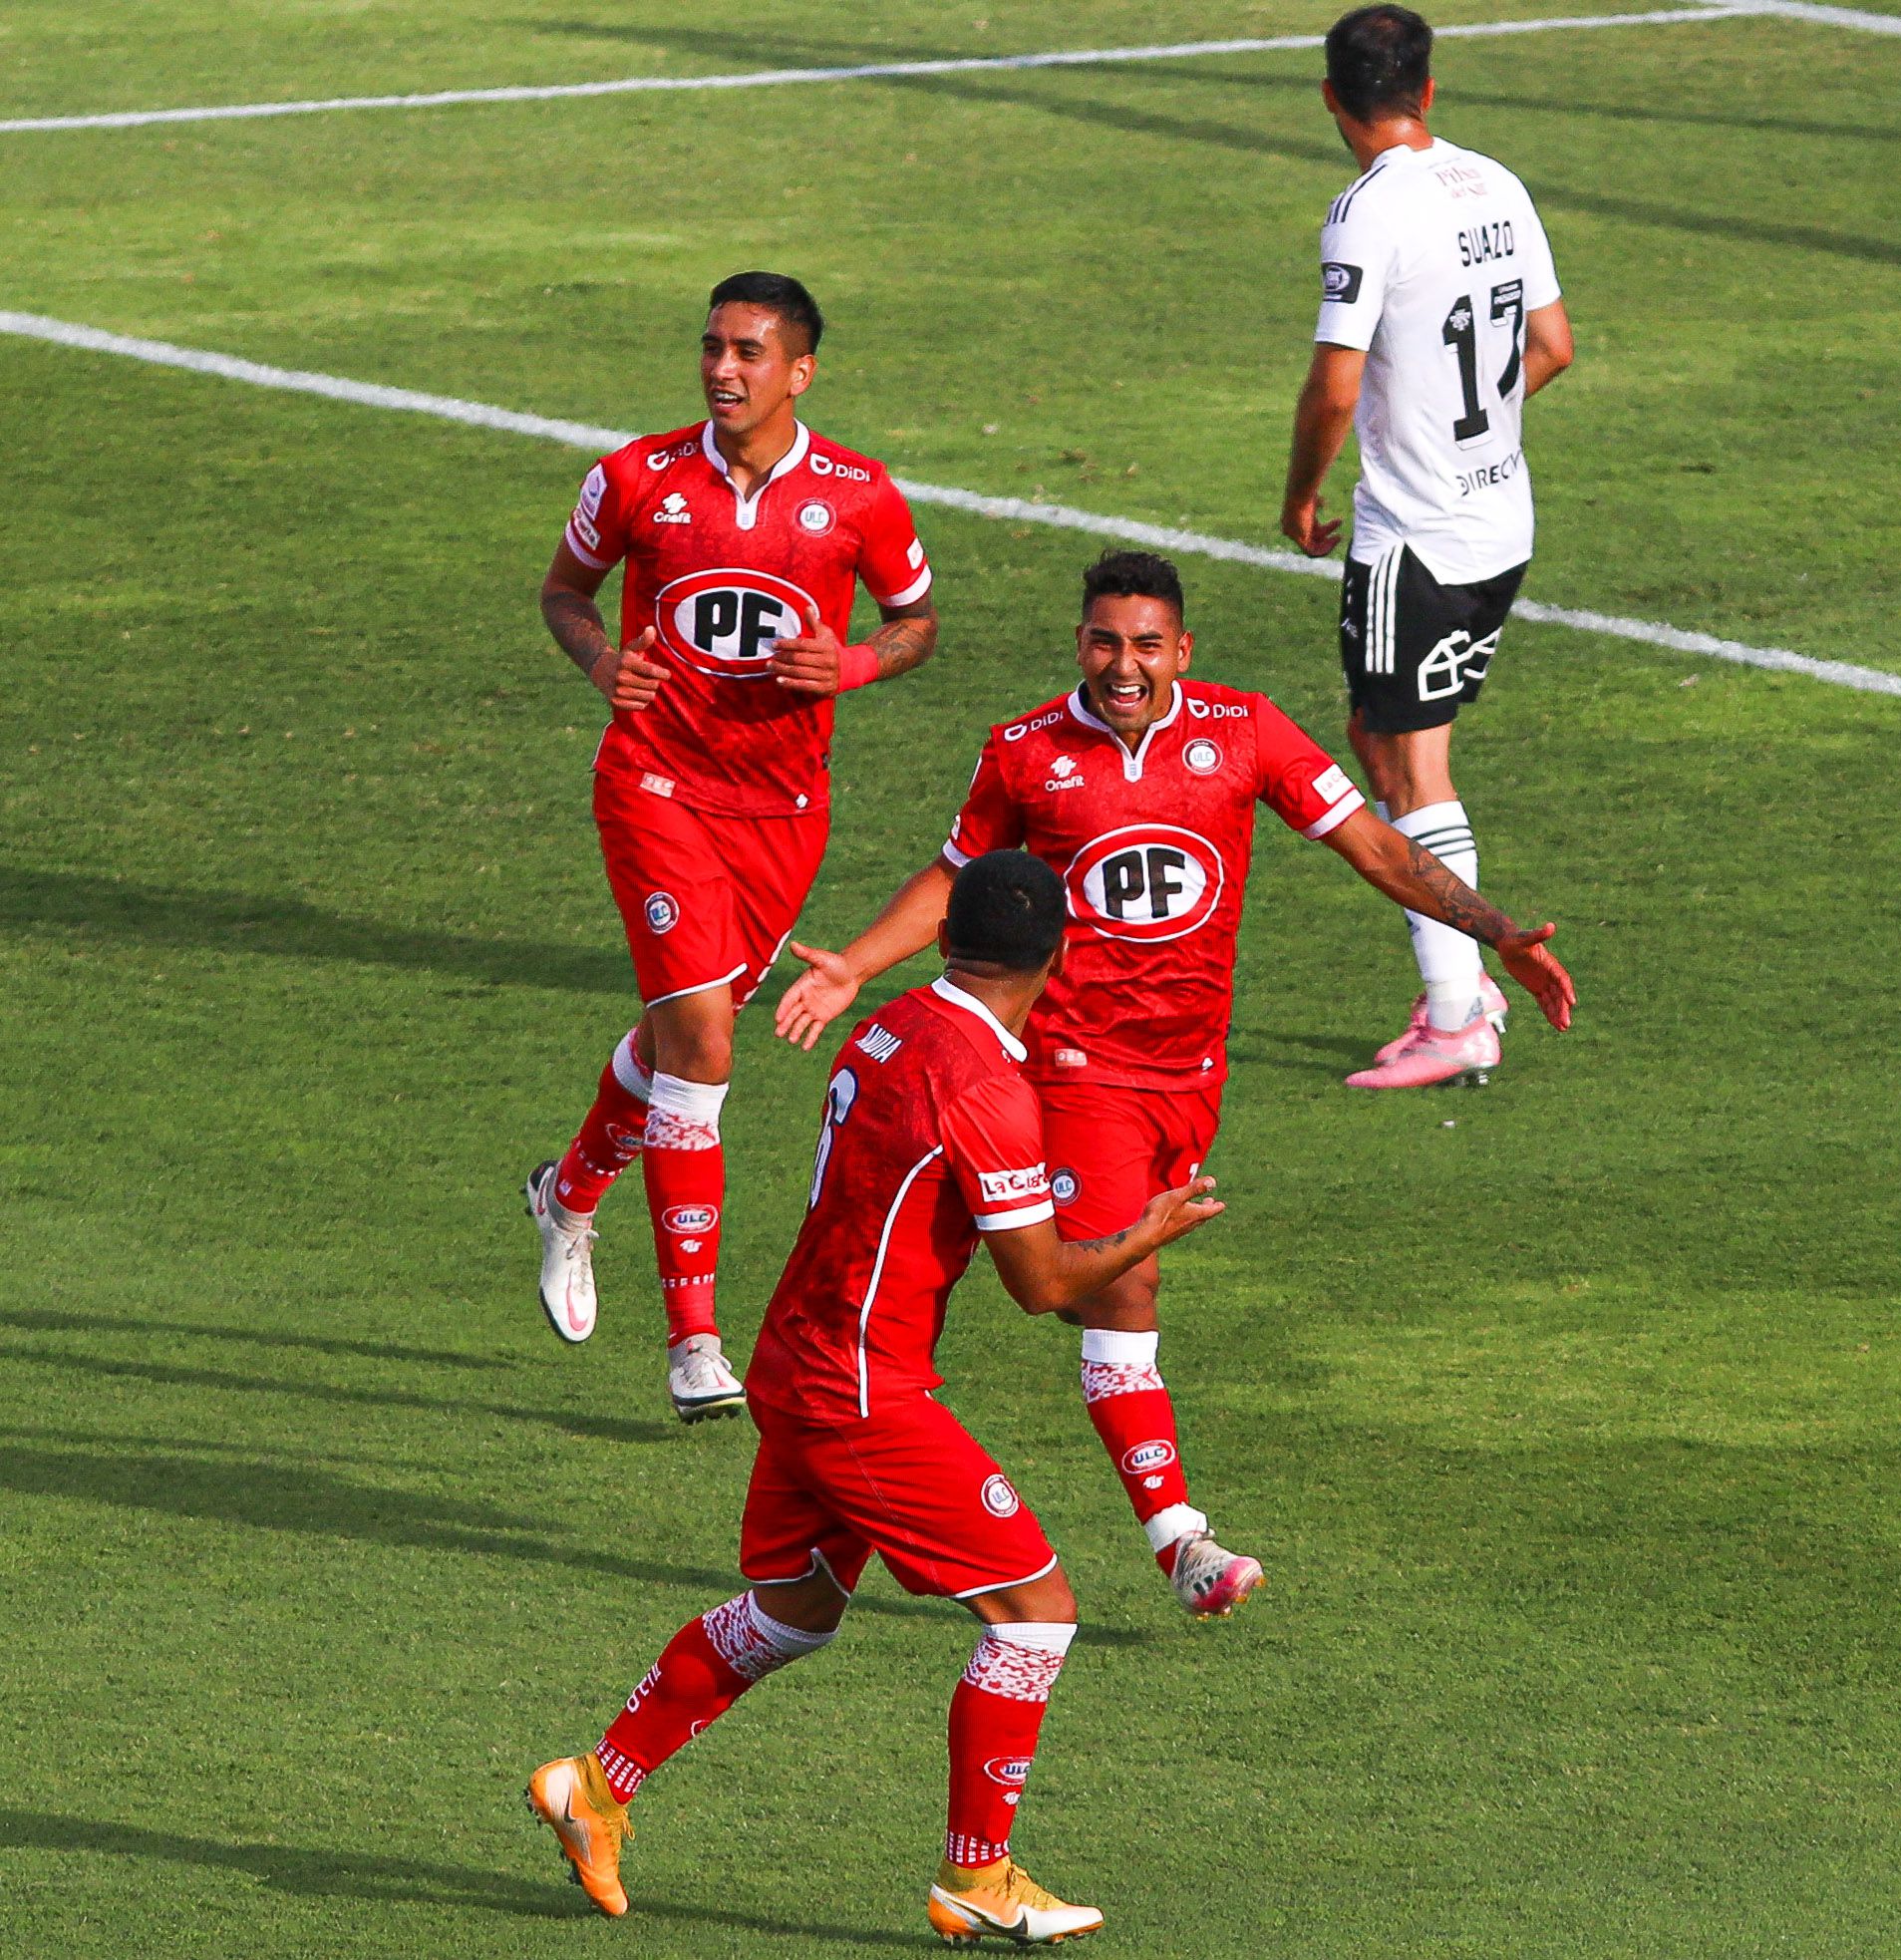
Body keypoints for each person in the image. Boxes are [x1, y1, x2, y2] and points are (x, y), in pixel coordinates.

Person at [776, 551, 1573, 1614]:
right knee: (1126, 1285)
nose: (1124, 663)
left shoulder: (1245, 733)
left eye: (1146, 643)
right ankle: (1180, 1539)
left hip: (1193, 1072)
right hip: (1076, 1069)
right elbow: (956, 872)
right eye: (1106, 640)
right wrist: (858, 964)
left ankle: (1044, 1295)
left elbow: (1377, 846)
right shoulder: (1025, 751)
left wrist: (1496, 930)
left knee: (1110, 1293)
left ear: (1181, 651)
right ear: (1080, 644)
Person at [527, 849, 1222, 1945]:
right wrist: (1149, 1231)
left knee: (791, 1613)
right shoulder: (986, 1085)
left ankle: (595, 1787)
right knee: (1035, 1617)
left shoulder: (893, 1023)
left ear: (950, 942)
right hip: (861, 1388)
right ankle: (976, 1877)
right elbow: (1040, 1284)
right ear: (1060, 954)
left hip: (798, 1361)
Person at [519, 271, 939, 1422]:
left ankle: (569, 1193)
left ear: (800, 369)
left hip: (786, 813)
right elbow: (564, 593)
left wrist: (851, 664)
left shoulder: (859, 495)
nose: (722, 368)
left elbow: (917, 623)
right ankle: (695, 1339)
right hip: (655, 787)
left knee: (678, 1029)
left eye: (750, 351)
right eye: (712, 347)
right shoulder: (635, 478)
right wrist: (606, 667)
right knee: (703, 1042)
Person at [1279, 4, 1574, 1087]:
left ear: (1331, 99)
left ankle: (1458, 1012)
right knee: (1377, 731)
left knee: (1410, 763)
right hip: (1502, 518)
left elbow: (1335, 383)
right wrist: (1479, 425)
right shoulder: (1495, 182)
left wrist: (1302, 496)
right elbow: (1553, 346)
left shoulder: (1366, 211)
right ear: (1429, 90)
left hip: (1416, 535)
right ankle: (1460, 972)